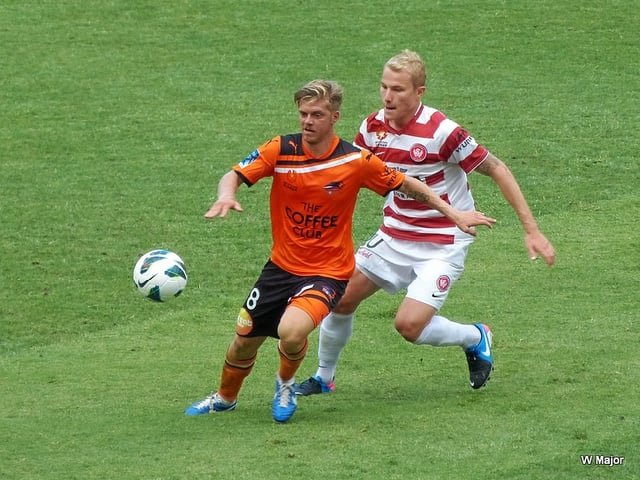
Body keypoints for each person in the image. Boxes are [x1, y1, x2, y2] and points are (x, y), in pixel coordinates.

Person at [184, 79, 495, 423]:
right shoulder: (280, 149)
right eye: (303, 113)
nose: (307, 121)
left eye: (316, 114)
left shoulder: (355, 160)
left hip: (327, 273)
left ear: (334, 117)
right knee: (243, 341)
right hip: (279, 269)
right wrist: (226, 194)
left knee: (292, 331)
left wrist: (453, 213)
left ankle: (285, 384)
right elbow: (235, 174)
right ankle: (225, 398)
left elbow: (406, 184)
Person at [295, 50, 556, 397]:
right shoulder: (372, 128)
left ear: (419, 92)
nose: (388, 97)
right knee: (339, 299)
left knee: (409, 325)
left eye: (398, 90)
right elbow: (352, 175)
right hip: (394, 235)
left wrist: (532, 230)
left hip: (444, 241)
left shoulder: (443, 132)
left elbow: (497, 168)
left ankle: (476, 336)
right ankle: (324, 377)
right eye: (384, 87)